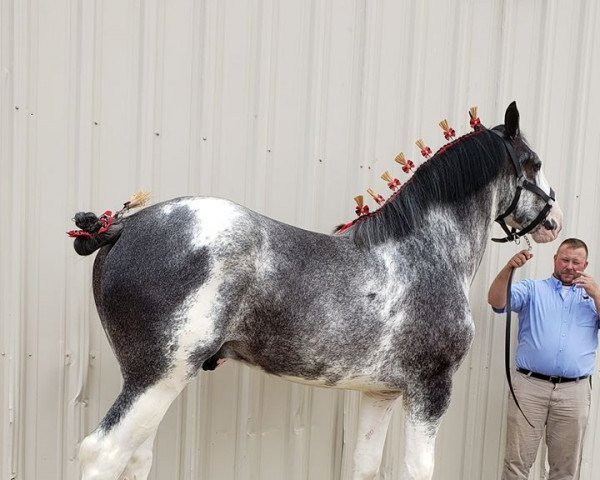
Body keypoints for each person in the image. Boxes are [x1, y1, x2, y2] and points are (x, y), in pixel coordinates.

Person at [488, 238, 600, 480]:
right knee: (516, 464)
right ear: (555, 260)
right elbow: (496, 301)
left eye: (576, 262)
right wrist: (508, 269)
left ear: (585, 264)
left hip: (574, 392)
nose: (570, 266)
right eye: (565, 260)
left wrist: (597, 295)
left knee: (564, 469)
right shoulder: (532, 289)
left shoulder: (593, 299)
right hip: (530, 388)